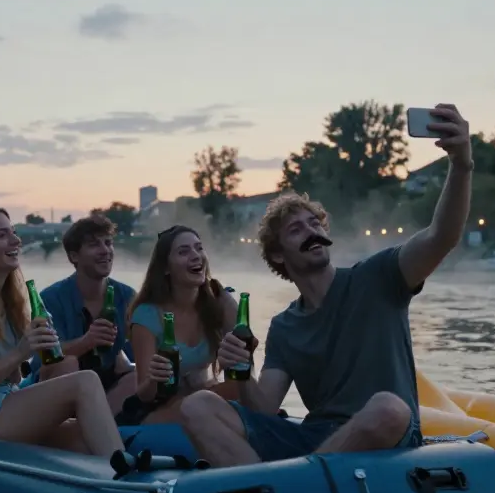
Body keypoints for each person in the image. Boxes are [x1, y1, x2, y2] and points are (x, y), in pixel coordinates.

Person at [180, 103, 474, 467]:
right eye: (296, 229)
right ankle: (277, 491)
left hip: (387, 434)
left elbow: (441, 236)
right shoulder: (285, 326)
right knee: (198, 406)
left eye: (315, 224)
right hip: (318, 437)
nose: (313, 232)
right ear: (278, 256)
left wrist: (461, 165)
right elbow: (265, 407)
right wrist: (243, 368)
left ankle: (290, 489)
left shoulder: (379, 277)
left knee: (389, 408)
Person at [0, 204, 125, 457]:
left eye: (13, 232)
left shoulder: (7, 302)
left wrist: (37, 350)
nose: (15, 240)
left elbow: (13, 379)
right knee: (85, 382)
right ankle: (124, 476)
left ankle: (116, 475)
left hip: (3, 403)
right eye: (2, 235)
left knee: (84, 437)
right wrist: (19, 353)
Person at [124, 225, 240, 425]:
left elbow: (243, 368)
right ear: (166, 268)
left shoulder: (219, 302)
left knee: (239, 389)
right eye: (183, 252)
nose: (196, 256)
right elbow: (144, 394)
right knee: (209, 401)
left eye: (199, 248)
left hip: (203, 398)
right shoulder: (147, 314)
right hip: (156, 409)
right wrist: (154, 378)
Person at [25, 215, 138, 413]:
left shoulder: (127, 296)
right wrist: (87, 341)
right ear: (73, 256)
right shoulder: (51, 298)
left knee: (139, 376)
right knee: (68, 364)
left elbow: (139, 351)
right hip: (58, 384)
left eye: (108, 243)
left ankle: (103, 427)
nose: (105, 250)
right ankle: (75, 428)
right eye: (94, 245)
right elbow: (47, 358)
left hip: (109, 385)